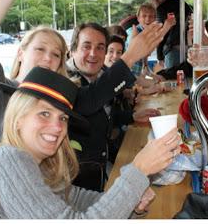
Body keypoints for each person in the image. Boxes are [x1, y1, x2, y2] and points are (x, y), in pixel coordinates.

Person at [0, 66, 181, 219]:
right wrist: (138, 170)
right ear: (18, 120)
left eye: (63, 118)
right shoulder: (6, 159)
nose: (57, 127)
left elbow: (81, 200)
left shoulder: (46, 167)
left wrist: (134, 203)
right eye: (44, 114)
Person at [66, 22, 165, 191]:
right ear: (73, 50)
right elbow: (88, 102)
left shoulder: (99, 75)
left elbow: (102, 115)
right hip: (78, 187)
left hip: (102, 170)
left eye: (100, 48)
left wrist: (131, 117)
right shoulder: (65, 79)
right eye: (86, 46)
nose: (93, 53)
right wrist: (131, 56)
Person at [0, 0, 69, 145]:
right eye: (40, 49)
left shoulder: (59, 105)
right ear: (21, 53)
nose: (48, 57)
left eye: (56, 54)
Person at [148, 0, 193, 68]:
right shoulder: (183, 4)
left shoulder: (161, 8)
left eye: (153, 0)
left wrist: (159, 56)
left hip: (173, 49)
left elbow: (161, 33)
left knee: (173, 78)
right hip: (189, 48)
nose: (152, 4)